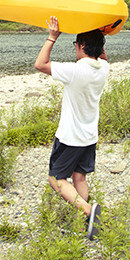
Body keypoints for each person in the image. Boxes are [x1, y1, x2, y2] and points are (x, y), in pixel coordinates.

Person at [34, 16, 109, 240]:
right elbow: (102, 56)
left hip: (70, 137)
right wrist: (100, 36)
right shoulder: (103, 68)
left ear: (82, 46)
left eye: (76, 44)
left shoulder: (75, 70)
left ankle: (89, 211)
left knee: (56, 179)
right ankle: (84, 222)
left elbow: (40, 64)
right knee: (79, 178)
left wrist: (52, 37)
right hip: (89, 136)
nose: (75, 49)